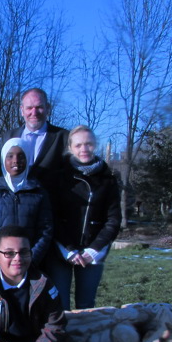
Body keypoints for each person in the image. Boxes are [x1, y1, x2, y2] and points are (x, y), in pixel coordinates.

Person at [46, 125, 121, 310]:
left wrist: (94, 250)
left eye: (88, 144)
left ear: (95, 145)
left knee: (86, 305)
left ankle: (85, 339)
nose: (84, 149)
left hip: (92, 251)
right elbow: (52, 215)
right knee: (60, 305)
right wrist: (69, 250)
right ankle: (63, 339)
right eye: (78, 145)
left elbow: (113, 220)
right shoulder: (59, 177)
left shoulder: (108, 178)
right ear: (70, 148)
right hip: (62, 250)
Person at [0, 137, 53, 270]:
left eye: (21, 156)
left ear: (28, 159)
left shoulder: (38, 192)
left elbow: (45, 230)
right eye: (10, 156)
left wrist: (30, 260)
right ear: (3, 159)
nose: (15, 160)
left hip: (29, 264)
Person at [0, 87, 68, 189]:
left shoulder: (63, 137)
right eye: (29, 108)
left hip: (51, 202)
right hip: (16, 202)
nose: (34, 113)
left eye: (39, 107)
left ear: (48, 108)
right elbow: (0, 173)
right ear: (22, 110)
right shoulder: (8, 137)